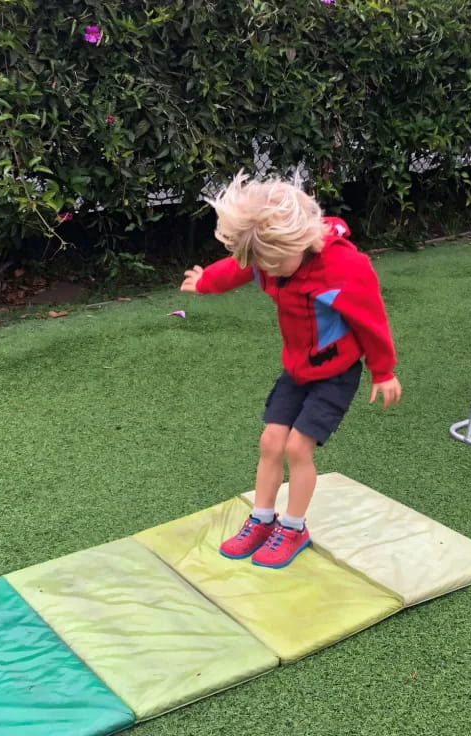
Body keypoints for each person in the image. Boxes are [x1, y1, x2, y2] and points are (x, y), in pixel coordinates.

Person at [180, 172, 402, 568]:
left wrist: (383, 371)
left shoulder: (344, 267)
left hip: (335, 371)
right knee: (270, 441)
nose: (272, 273)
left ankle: (294, 526)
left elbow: (372, 319)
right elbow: (239, 267)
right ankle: (262, 519)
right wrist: (206, 283)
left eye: (277, 265)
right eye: (264, 266)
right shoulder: (269, 256)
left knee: (298, 447)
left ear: (300, 242)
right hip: (296, 370)